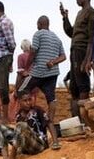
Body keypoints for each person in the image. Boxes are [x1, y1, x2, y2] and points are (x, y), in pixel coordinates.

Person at [22, 16, 66, 149]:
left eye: (37, 23)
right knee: (51, 97)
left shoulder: (38, 34)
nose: (36, 26)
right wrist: (53, 62)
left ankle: (24, 118)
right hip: (52, 73)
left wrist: (26, 68)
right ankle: (50, 121)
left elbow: (33, 52)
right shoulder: (56, 38)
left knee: (22, 90)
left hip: (39, 71)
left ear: (40, 24)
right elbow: (63, 56)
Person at [61, 0, 94, 119]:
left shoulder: (91, 13)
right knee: (74, 86)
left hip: (82, 51)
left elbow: (91, 38)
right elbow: (72, 33)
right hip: (74, 51)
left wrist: (87, 59)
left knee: (83, 86)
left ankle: (84, 120)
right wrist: (65, 18)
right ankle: (76, 120)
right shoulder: (80, 13)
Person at [0, 89, 51, 159]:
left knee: (21, 125)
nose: (28, 103)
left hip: (39, 145)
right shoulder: (18, 114)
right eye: (25, 101)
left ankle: (12, 157)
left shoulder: (38, 110)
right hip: (25, 147)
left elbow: (49, 124)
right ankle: (5, 158)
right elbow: (18, 134)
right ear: (19, 102)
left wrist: (55, 141)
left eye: (29, 99)